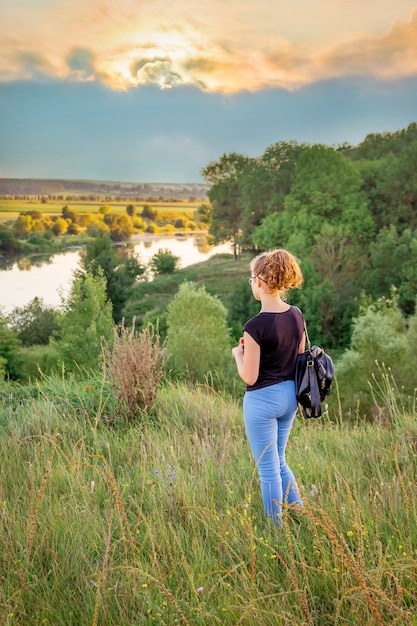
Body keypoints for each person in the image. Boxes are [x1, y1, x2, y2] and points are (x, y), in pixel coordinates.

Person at [232, 249, 305, 525]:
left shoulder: (254, 326)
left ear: (260, 282)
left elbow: (250, 377)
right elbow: (297, 357)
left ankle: (276, 529)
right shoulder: (297, 315)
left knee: (268, 470)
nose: (252, 283)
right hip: (289, 397)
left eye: (252, 279)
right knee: (280, 459)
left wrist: (239, 356)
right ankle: (301, 515)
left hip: (262, 401)